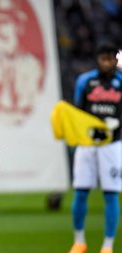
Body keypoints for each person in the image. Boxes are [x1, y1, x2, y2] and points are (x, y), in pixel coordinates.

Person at [69, 43, 122, 253]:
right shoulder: (86, 81)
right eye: (103, 58)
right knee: (81, 192)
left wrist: (116, 126)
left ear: (116, 61)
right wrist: (88, 130)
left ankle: (107, 245)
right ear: (97, 59)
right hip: (88, 144)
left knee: (111, 194)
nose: (106, 62)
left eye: (110, 59)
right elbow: (77, 111)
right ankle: (79, 241)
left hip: (113, 145)